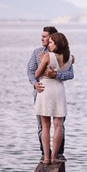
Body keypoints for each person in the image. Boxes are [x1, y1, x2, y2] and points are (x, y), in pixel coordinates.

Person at [27, 26, 74, 162]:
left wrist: (56, 74)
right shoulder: (37, 52)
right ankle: (45, 153)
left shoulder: (59, 54)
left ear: (53, 38)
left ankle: (56, 154)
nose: (42, 39)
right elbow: (30, 72)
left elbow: (70, 74)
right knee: (43, 126)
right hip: (43, 90)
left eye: (45, 36)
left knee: (54, 125)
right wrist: (34, 84)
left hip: (48, 91)